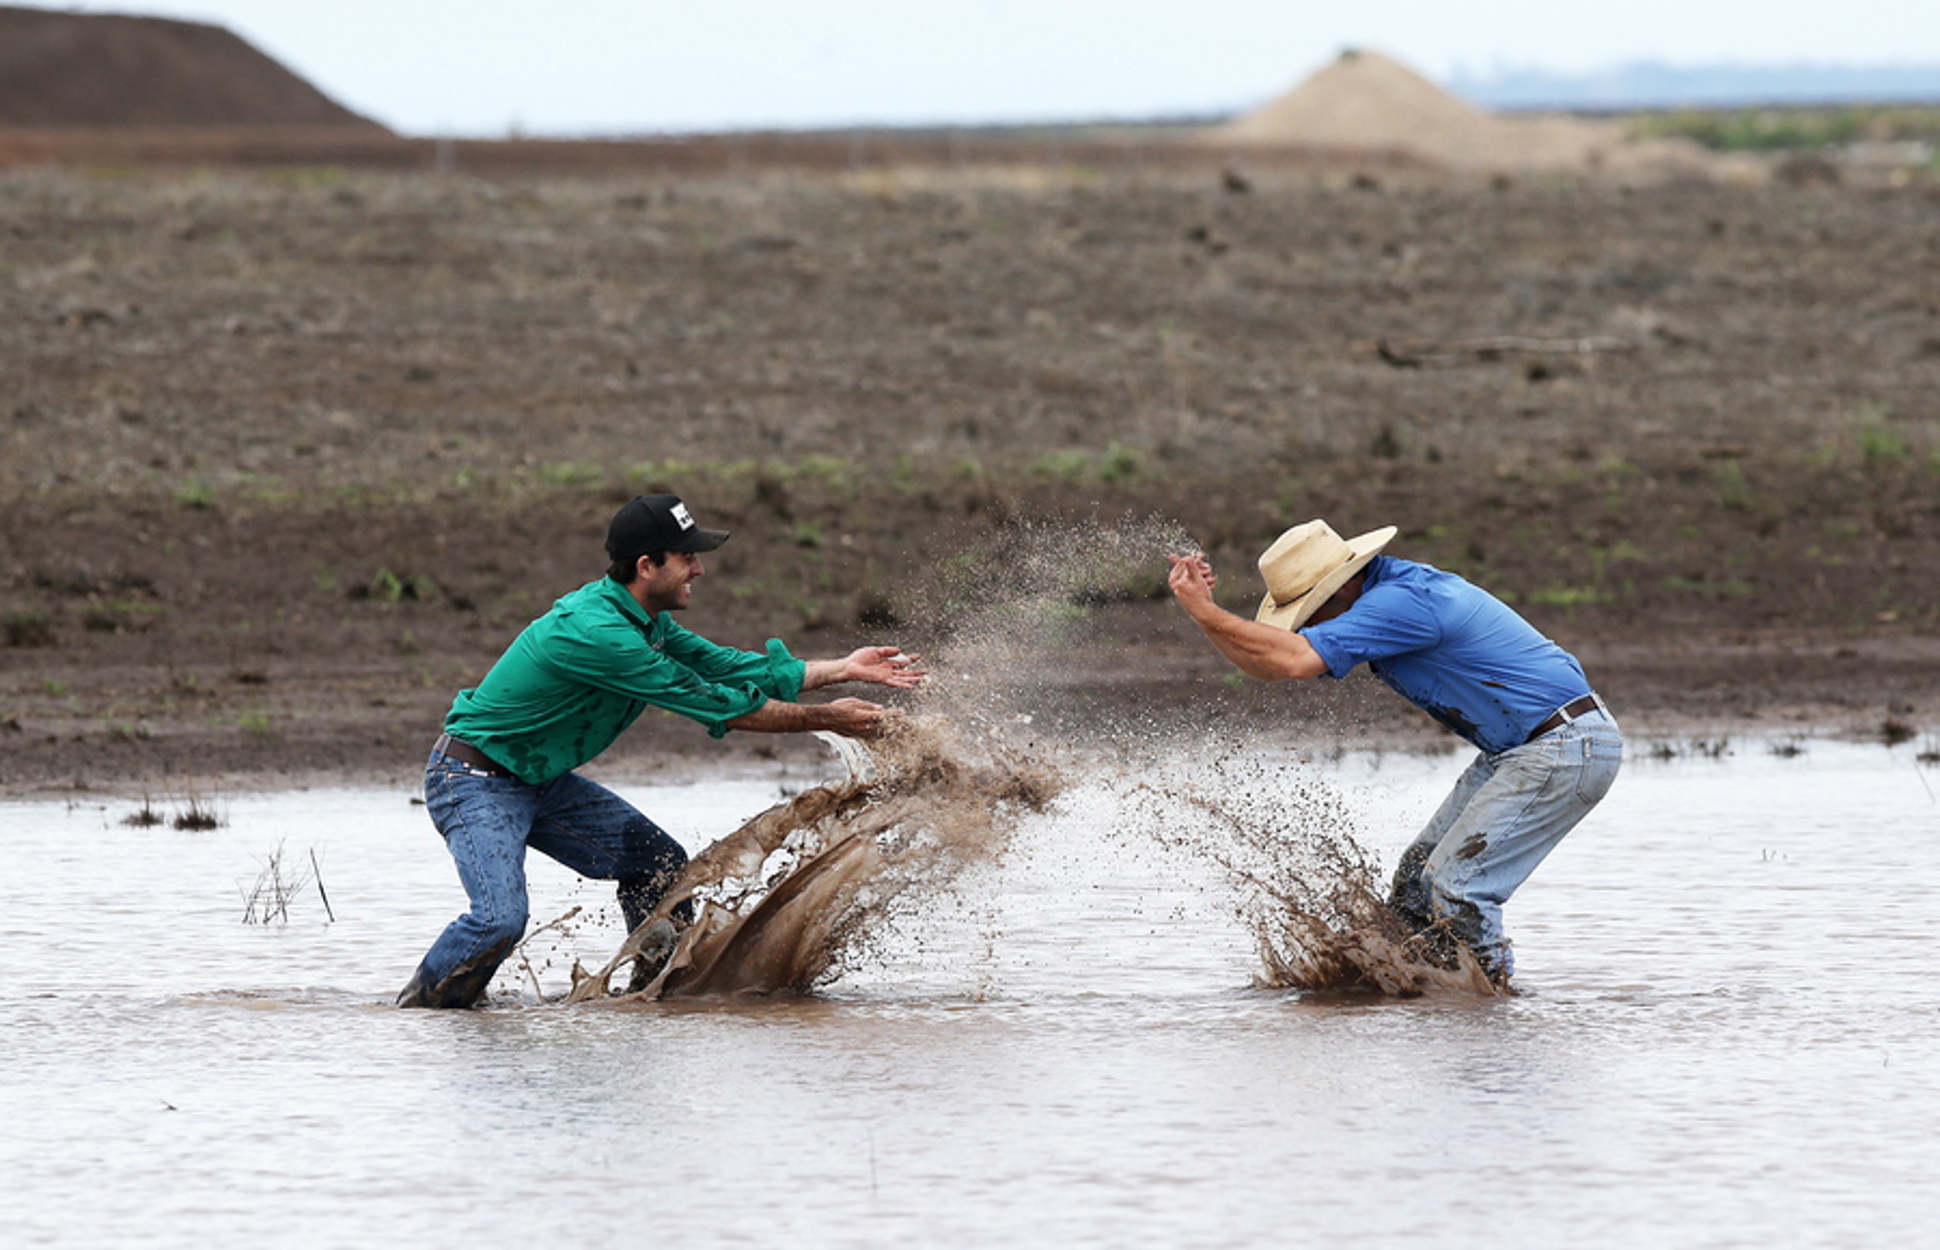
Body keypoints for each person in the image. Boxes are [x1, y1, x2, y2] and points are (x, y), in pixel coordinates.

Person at [396, 493, 923, 1008]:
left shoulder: (642, 621)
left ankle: (656, 999)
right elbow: (718, 704)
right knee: (498, 921)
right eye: (688, 557)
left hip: (538, 780)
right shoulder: (601, 634)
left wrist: (843, 668)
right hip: (474, 780)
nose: (699, 569)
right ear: (647, 565)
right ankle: (421, 1013)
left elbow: (727, 667)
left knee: (659, 865)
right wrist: (832, 718)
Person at [1167, 519, 1622, 986]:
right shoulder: (1380, 596)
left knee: (1457, 888)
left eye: (1308, 614)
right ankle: (1425, 993)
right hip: (1526, 749)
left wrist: (1208, 613)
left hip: (1563, 746)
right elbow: (1271, 668)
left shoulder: (1400, 603)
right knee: (1414, 884)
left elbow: (1292, 658)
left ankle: (1490, 1007)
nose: (1307, 626)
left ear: (1340, 590)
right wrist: (1205, 616)